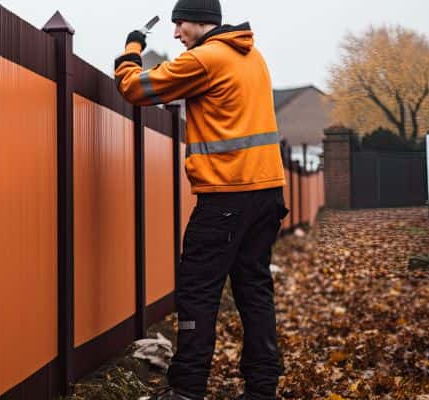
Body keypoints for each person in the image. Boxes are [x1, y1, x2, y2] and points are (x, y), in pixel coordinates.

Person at [114, 0, 289, 399]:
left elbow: (133, 88)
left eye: (180, 26)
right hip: (266, 194)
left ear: (201, 22)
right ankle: (263, 388)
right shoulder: (251, 55)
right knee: (254, 290)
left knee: (197, 292)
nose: (177, 35)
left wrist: (131, 49)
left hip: (226, 197)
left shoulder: (205, 59)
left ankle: (186, 390)